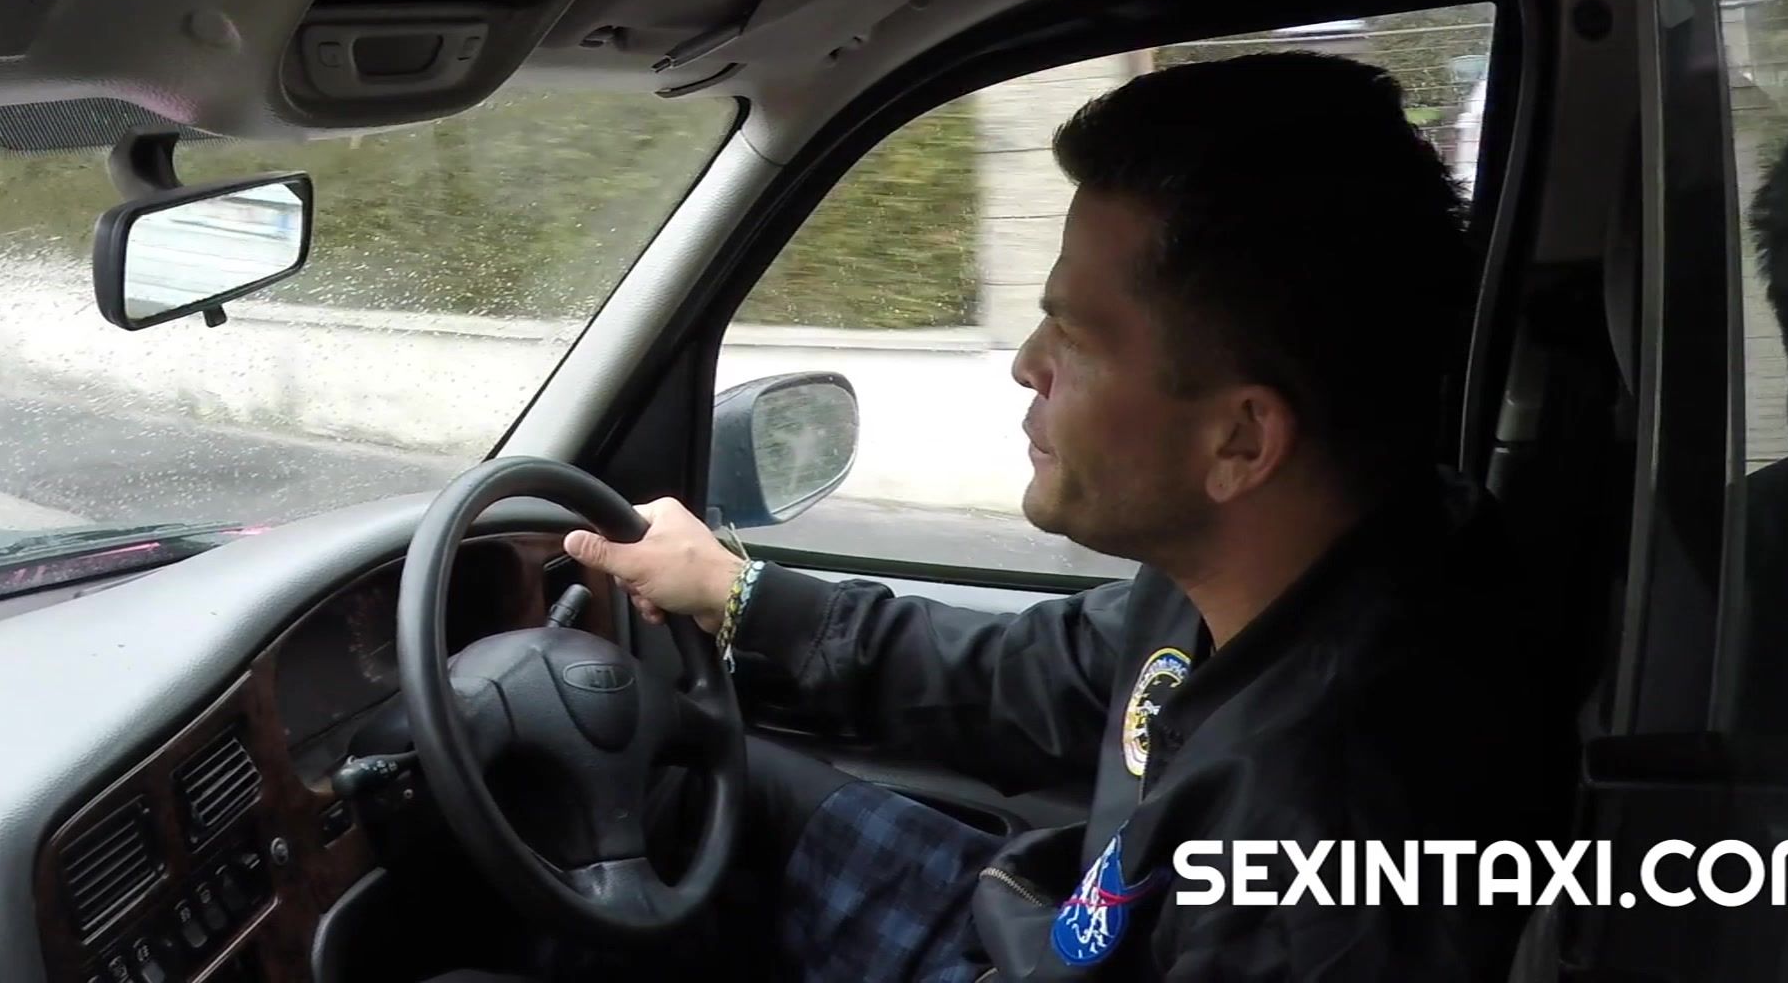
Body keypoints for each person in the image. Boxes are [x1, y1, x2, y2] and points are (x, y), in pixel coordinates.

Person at [565, 53, 1578, 980]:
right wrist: (736, 596)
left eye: (1075, 337)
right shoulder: (1285, 567)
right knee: (697, 796)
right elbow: (1032, 679)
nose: (1026, 365)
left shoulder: (1321, 849)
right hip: (1043, 929)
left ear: (1239, 441)